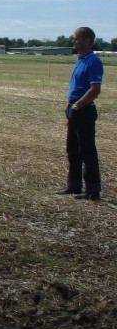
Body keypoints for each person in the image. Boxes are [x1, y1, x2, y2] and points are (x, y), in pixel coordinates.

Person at [57, 26, 103, 201]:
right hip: (73, 109)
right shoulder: (80, 59)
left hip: (83, 110)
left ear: (86, 41)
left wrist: (78, 105)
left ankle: (92, 190)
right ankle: (74, 185)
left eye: (75, 38)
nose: (73, 41)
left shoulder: (93, 61)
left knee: (87, 151)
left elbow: (95, 89)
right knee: (73, 150)